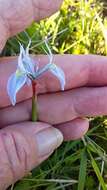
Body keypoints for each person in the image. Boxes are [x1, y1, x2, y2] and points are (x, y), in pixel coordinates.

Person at [0, 0, 107, 189]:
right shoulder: (21, 74)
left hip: (35, 79)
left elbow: (60, 79)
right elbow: (14, 89)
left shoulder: (45, 69)